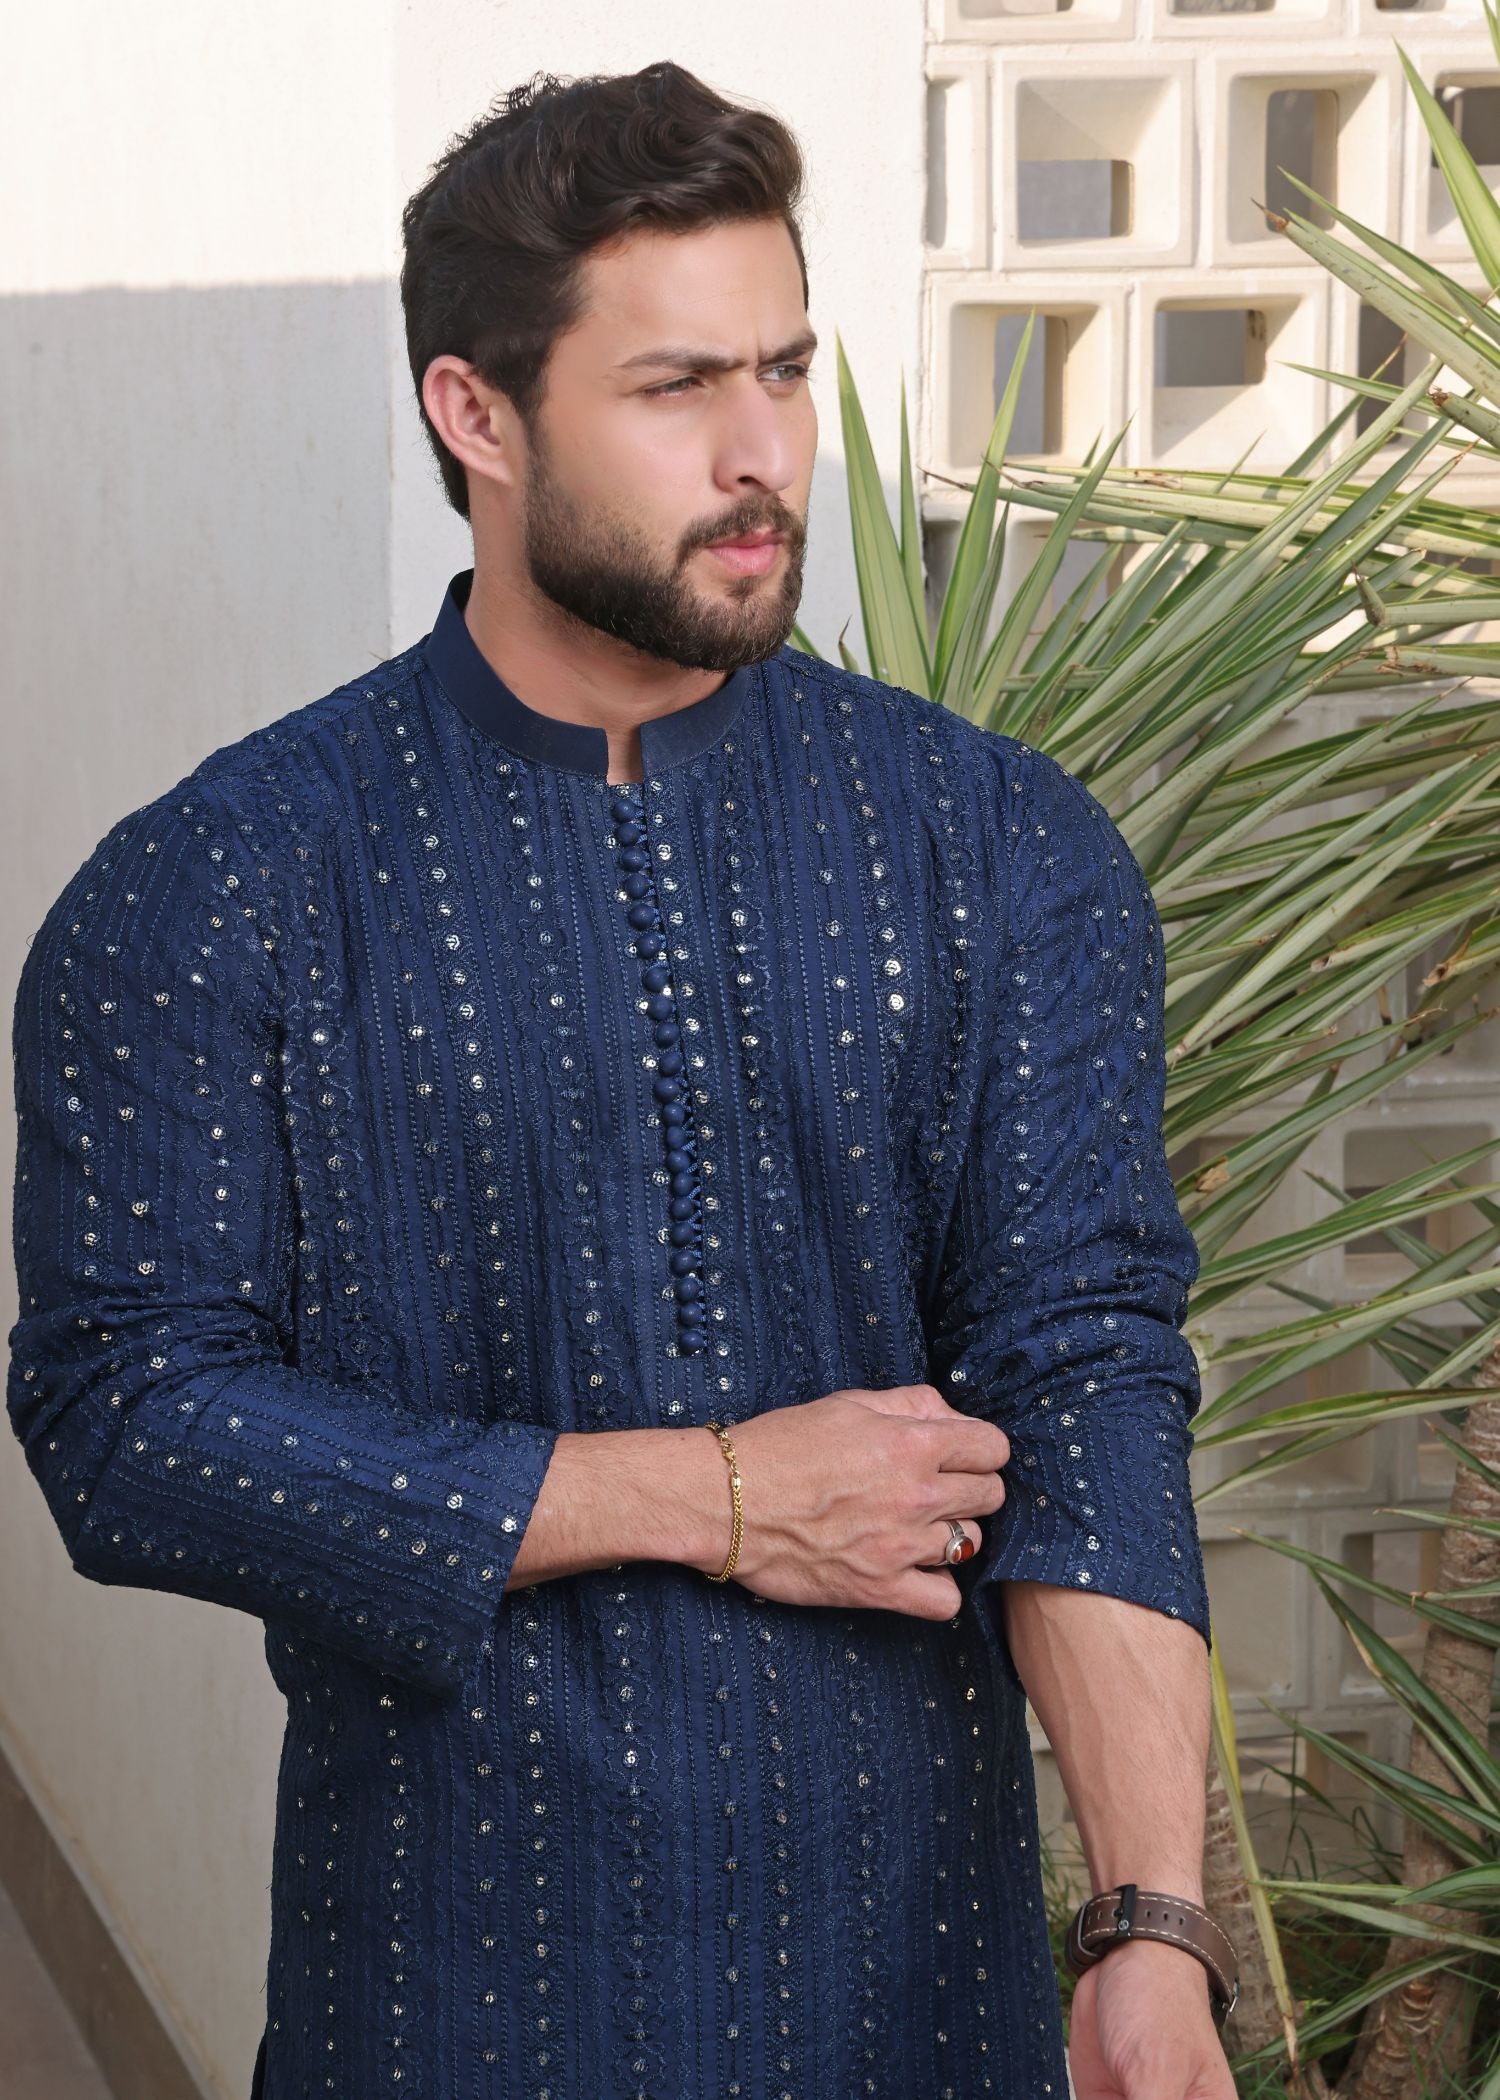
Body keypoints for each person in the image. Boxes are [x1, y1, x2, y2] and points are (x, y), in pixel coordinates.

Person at [6, 59, 1238, 2100]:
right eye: (676, 389)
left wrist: (1149, 1927)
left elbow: (1086, 1372)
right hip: (446, 2003)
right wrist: (711, 1496)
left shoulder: (1004, 851)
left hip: (920, 2006)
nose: (765, 455)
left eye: (787, 370)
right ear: (475, 415)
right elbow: (122, 1416)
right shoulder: (216, 886)